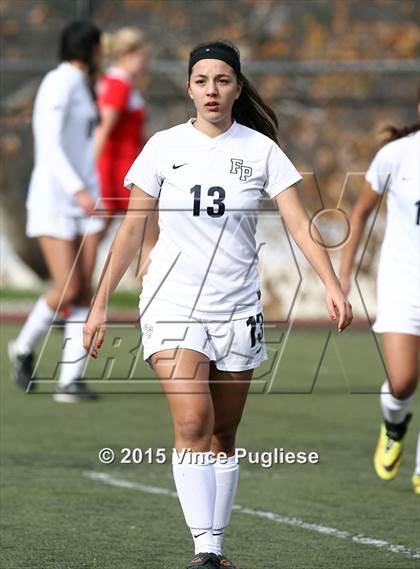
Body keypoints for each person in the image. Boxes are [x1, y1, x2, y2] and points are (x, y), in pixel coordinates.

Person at [84, 41, 353, 569]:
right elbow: (132, 227)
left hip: (237, 307)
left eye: (223, 80)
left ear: (237, 86)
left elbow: (299, 224)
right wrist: (97, 306)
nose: (212, 90)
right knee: (193, 423)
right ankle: (204, 550)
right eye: (202, 80)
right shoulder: (162, 147)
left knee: (223, 434)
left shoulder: (261, 150)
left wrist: (333, 283)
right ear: (188, 87)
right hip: (172, 302)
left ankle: (216, 547)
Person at [8, 20, 104, 403]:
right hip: (55, 198)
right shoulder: (59, 82)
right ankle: (22, 346)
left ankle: (69, 380)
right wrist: (78, 190)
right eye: (100, 47)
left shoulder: (83, 84)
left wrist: (92, 192)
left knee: (83, 289)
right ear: (88, 48)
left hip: (82, 201)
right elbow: (49, 145)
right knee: (67, 287)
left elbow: (82, 148)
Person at [339, 103, 420, 494]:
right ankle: (394, 423)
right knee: (403, 381)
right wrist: (342, 277)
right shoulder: (396, 155)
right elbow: (360, 214)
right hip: (404, 284)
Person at [96, 27, 148, 227]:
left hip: (122, 165)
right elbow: (103, 129)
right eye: (143, 57)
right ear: (128, 55)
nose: (145, 63)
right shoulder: (119, 84)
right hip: (118, 167)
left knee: (102, 228)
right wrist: (91, 170)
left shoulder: (118, 82)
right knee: (149, 225)